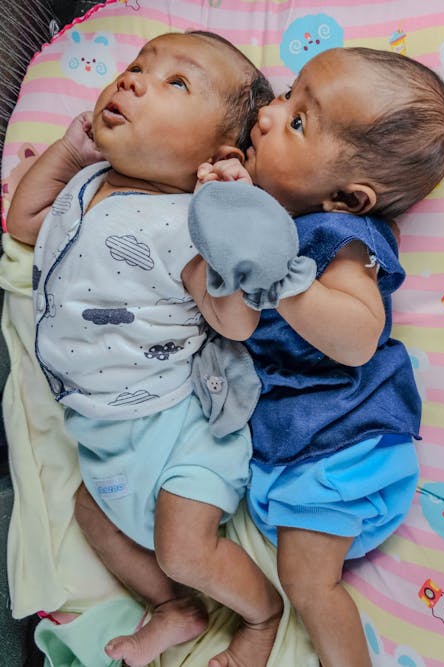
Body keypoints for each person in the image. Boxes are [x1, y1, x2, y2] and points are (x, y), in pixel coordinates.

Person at [6, 31, 285, 667]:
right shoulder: (88, 183)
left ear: (213, 154)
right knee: (88, 512)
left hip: (178, 430)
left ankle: (262, 615)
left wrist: (232, 219)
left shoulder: (189, 222)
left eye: (175, 83)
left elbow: (234, 323)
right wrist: (69, 151)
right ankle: (176, 608)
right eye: (137, 67)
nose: (132, 80)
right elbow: (24, 223)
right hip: (100, 433)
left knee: (185, 549)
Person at [185, 46, 444, 667]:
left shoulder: (345, 241)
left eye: (298, 121)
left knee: (307, 583)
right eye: (287, 96)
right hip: (288, 448)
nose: (266, 116)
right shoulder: (266, 217)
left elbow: (359, 335)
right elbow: (231, 321)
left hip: (345, 440)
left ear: (349, 198)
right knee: (289, 566)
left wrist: (287, 277)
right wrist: (219, 230)